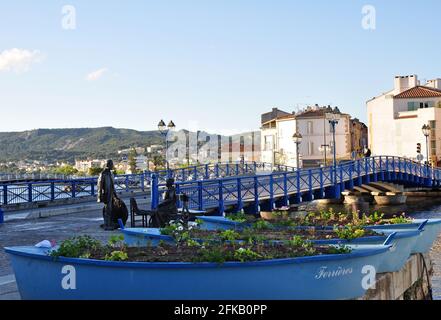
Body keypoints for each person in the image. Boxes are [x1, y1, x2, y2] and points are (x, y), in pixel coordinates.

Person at [97, 160, 118, 230]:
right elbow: (99, 185)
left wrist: (115, 195)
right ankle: (107, 224)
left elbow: (112, 185)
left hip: (111, 193)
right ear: (108, 165)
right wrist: (100, 195)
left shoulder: (110, 173)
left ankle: (110, 222)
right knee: (107, 209)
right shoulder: (103, 173)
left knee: (111, 209)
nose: (113, 166)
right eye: (112, 164)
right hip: (106, 193)